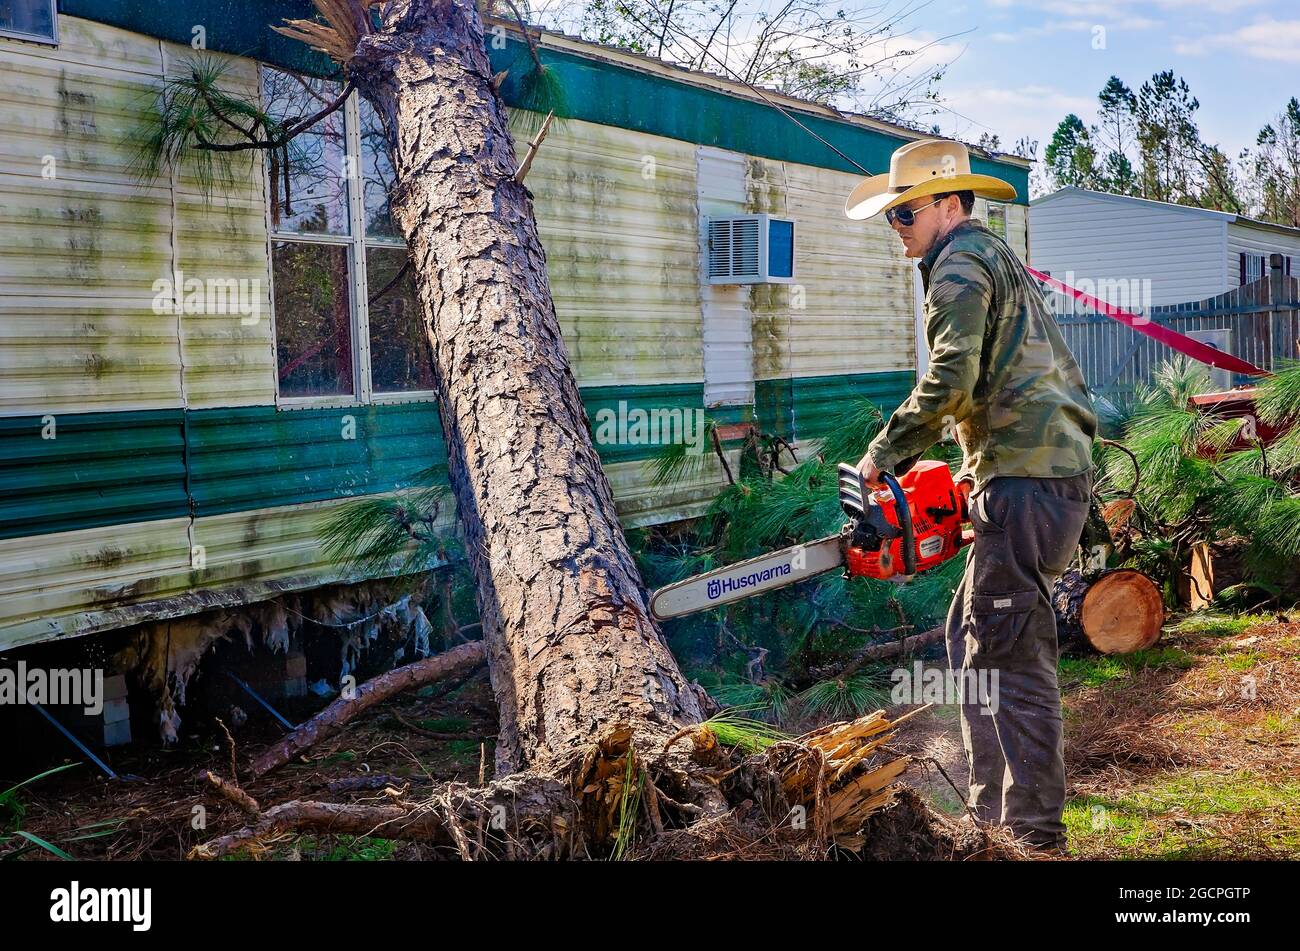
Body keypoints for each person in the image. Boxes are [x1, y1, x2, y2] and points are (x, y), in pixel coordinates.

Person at [844, 138, 1098, 853]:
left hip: (1029, 483)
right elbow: (1000, 379)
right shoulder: (990, 257)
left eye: (907, 213)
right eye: (893, 216)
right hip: (1028, 475)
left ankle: (1032, 834)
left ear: (950, 204)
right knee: (971, 634)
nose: (898, 228)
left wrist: (884, 452)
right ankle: (992, 815)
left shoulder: (958, 263)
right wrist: (971, 471)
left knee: (1011, 654)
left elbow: (952, 380)